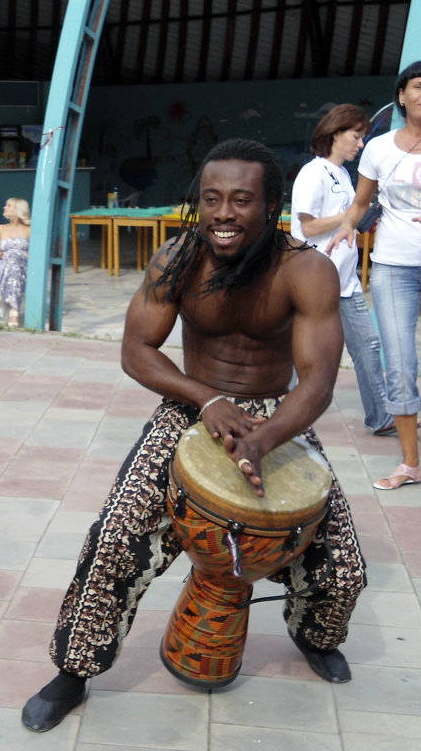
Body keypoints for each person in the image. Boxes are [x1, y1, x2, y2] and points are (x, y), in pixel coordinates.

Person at [21, 139, 366, 734]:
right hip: (188, 407)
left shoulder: (306, 269)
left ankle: (315, 638)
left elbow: (318, 384)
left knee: (343, 568)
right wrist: (207, 401)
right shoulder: (179, 256)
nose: (223, 214)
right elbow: (136, 350)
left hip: (272, 419)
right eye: (211, 199)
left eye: (240, 200)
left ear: (272, 204)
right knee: (114, 539)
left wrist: (261, 439)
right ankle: (73, 673)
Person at [326, 60, 421, 490]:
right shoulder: (379, 149)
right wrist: (347, 224)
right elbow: (362, 203)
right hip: (392, 268)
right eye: (417, 86)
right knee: (398, 365)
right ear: (401, 96)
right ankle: (410, 465)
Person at [290, 104, 396, 435]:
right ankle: (279, 415)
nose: (360, 144)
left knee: (367, 347)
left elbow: (345, 224)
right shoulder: (314, 172)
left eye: (363, 138)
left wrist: (362, 217)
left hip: (345, 282)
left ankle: (382, 416)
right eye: (356, 136)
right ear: (336, 133)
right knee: (304, 355)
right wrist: (352, 213)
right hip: (315, 281)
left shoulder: (344, 175)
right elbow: (307, 227)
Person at [0, 196, 30, 327]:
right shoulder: (1, 228)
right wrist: (4, 255)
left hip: (23, 266)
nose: (4, 207)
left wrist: (20, 255)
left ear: (18, 210)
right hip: (4, 264)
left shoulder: (29, 229)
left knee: (15, 257)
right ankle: (14, 312)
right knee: (11, 257)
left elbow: (36, 252)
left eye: (8, 206)